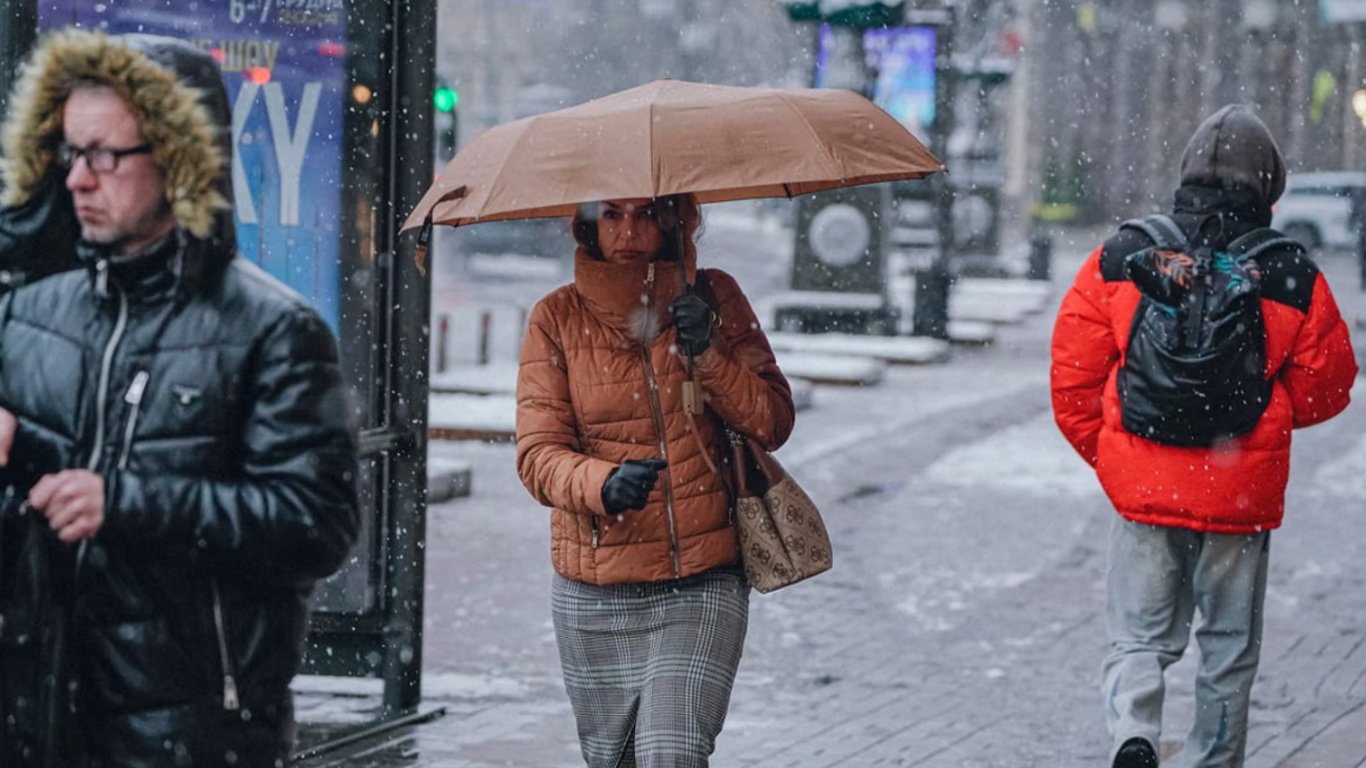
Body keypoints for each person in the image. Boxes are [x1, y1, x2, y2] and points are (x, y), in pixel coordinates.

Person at [0, 29, 359, 767]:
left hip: (194, 733)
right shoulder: (29, 313)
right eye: (70, 153)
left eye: (104, 154)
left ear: (177, 157)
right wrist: (18, 457)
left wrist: (129, 502)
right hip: (40, 719)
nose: (78, 179)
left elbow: (315, 527)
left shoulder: (273, 331)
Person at [1051, 104, 1357, 768]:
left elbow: (1072, 377)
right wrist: (1262, 417)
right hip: (1238, 497)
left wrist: (1114, 456)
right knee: (1228, 646)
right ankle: (1210, 760)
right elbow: (1329, 386)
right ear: (1269, 184)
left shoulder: (1123, 256)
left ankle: (1134, 730)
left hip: (1144, 484)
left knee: (1137, 635)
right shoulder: (1289, 272)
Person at [516, 194, 795, 766]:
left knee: (672, 751)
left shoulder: (715, 296)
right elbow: (538, 454)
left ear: (675, 219)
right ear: (589, 225)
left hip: (701, 579)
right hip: (594, 589)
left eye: (647, 213)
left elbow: (772, 421)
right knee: (613, 760)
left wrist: (709, 351)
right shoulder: (556, 317)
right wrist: (601, 483)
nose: (630, 232)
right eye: (613, 214)